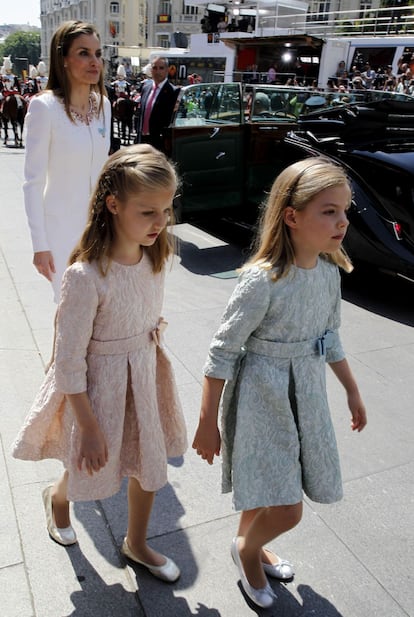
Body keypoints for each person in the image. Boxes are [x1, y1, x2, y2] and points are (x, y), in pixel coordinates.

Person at [192, 158, 367, 609]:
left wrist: (351, 390)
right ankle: (247, 551)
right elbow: (222, 352)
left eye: (345, 210)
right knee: (287, 505)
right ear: (292, 216)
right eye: (329, 211)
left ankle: (252, 544)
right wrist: (206, 422)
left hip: (304, 392)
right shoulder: (261, 280)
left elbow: (329, 337)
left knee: (268, 487)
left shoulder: (328, 274)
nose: (342, 220)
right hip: (261, 395)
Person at [12, 144, 188, 581]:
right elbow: (70, 361)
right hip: (97, 390)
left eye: (166, 210)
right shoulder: (85, 276)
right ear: (113, 204)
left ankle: (138, 543)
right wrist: (88, 426)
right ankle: (58, 499)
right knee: (91, 462)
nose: (160, 223)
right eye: (148, 212)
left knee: (148, 465)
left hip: (143, 376)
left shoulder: (155, 256)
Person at [23, 20, 111, 304]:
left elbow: (105, 170)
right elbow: (32, 183)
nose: (94, 61)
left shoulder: (104, 106)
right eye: (83, 53)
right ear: (63, 59)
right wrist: (40, 245)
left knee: (101, 311)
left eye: (97, 53)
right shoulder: (43, 107)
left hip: (101, 228)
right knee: (70, 309)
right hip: (60, 231)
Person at [134, 56, 179, 153]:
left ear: (167, 70)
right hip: (141, 141)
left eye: (161, 68)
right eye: (154, 68)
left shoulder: (173, 92)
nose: (157, 71)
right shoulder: (146, 87)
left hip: (159, 144)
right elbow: (141, 113)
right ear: (151, 70)